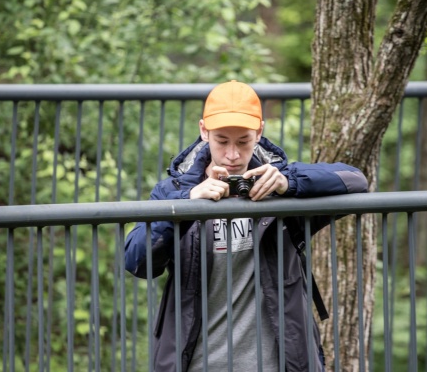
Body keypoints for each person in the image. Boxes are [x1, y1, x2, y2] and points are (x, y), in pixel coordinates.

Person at [124, 80, 368, 372]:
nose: (232, 154)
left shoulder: (281, 187)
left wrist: (289, 183)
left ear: (259, 133)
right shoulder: (174, 190)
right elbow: (137, 262)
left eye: (243, 141)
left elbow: (356, 181)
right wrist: (186, 205)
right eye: (221, 141)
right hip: (196, 364)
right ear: (204, 131)